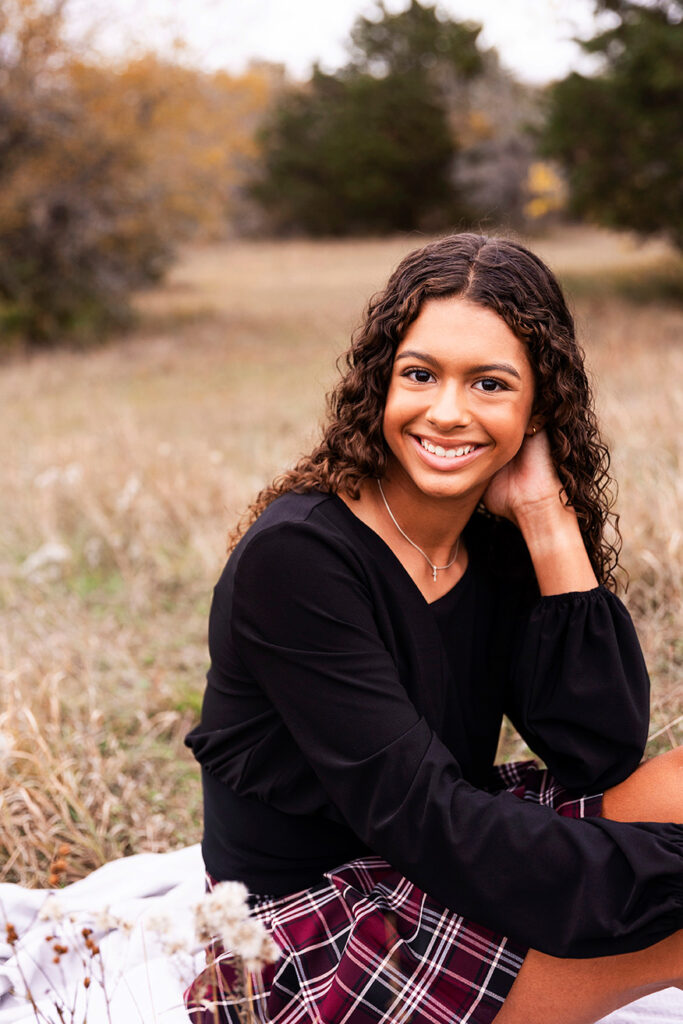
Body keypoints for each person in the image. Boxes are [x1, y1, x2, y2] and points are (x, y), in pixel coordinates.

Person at [184, 234, 683, 1024]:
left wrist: (544, 520)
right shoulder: (297, 558)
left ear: (539, 407)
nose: (446, 412)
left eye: (489, 384)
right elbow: (422, 817)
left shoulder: (492, 539)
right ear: (380, 382)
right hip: (309, 935)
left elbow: (600, 754)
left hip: (431, 857)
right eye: (420, 375)